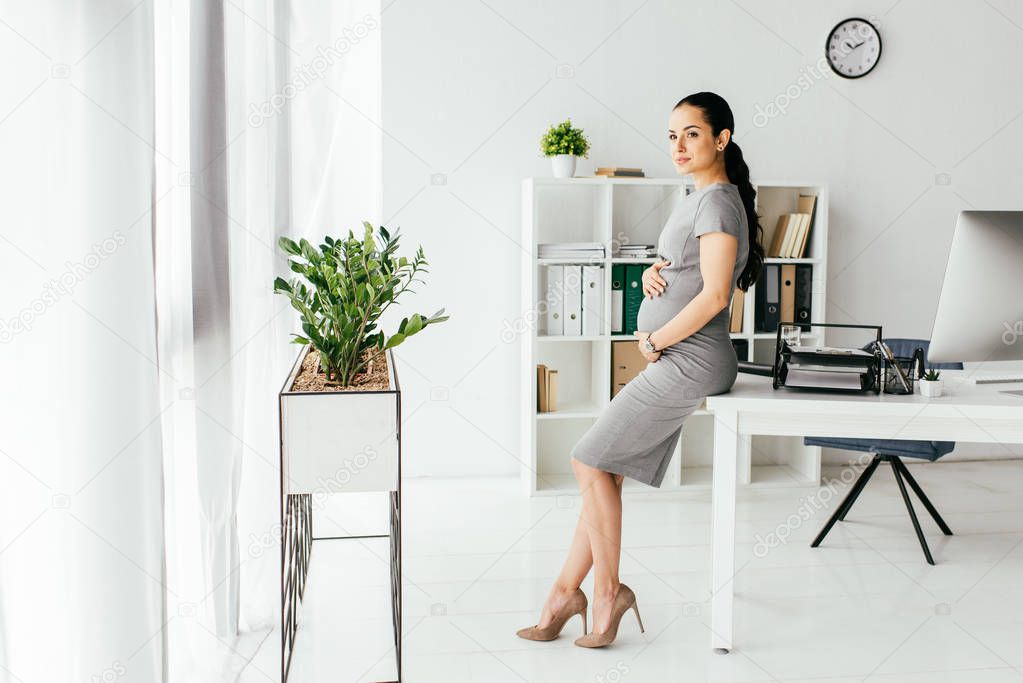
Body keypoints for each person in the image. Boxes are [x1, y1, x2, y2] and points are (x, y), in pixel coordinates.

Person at [516, 92, 765, 648]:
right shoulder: (699, 197)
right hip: (682, 354)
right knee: (601, 470)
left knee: (586, 461)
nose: (678, 145)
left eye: (692, 134)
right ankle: (564, 595)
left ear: (721, 138)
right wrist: (661, 269)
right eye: (672, 134)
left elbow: (717, 294)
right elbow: (695, 273)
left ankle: (606, 595)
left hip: (692, 358)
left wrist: (653, 337)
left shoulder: (719, 201)